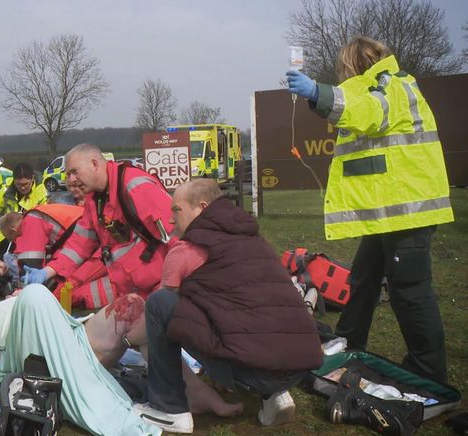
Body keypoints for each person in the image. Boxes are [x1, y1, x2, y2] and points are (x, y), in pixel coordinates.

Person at [286, 36, 453, 382]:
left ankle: (429, 372)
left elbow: (367, 113)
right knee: (362, 280)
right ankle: (348, 344)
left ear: (356, 64)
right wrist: (320, 98)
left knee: (409, 291)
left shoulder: (395, 85)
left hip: (410, 212)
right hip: (389, 215)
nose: (342, 74)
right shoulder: (375, 89)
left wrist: (319, 91)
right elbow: (358, 108)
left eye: (344, 68)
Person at [136, 179, 322, 433]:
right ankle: (274, 395)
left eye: (176, 210)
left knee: (159, 303)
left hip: (255, 373)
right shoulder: (255, 241)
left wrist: (123, 339)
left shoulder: (185, 251)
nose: (170, 220)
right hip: (298, 367)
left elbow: (162, 316)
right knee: (245, 315)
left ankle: (168, 408)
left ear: (201, 208)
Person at [0, 285, 162, 435]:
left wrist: (11, 299)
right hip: (32, 347)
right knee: (35, 293)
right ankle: (98, 396)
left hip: (68, 334)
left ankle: (171, 390)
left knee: (132, 304)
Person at [24, 144, 173, 301]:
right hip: (137, 289)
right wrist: (48, 271)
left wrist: (173, 285)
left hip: (161, 287)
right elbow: (79, 244)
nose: (71, 180)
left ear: (94, 164)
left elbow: (175, 236)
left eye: (74, 172)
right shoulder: (96, 199)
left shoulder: (135, 186)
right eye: (67, 174)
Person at [1, 204, 114, 309]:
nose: (16, 242)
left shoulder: (29, 223)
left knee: (63, 294)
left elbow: (30, 263)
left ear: (13, 230)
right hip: (99, 244)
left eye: (13, 239)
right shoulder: (40, 213)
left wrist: (21, 294)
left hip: (100, 247)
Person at [0, 162, 48, 258]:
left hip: (27, 236)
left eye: (26, 184)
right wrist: (2, 221)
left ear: (32, 179)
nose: (22, 187)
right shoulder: (5, 188)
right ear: (14, 181)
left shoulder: (41, 192)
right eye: (18, 184)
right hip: (2, 235)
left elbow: (45, 216)